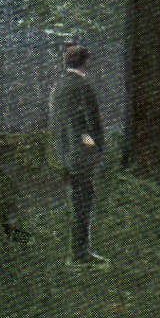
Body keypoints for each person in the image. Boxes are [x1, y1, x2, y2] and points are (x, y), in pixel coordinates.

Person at [50, 44, 108, 268]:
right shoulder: (82, 85)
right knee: (83, 203)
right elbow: (91, 121)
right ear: (86, 62)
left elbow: (60, 122)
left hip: (65, 153)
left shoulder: (59, 85)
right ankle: (80, 253)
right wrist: (94, 143)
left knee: (78, 202)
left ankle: (79, 251)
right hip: (81, 155)